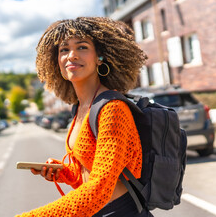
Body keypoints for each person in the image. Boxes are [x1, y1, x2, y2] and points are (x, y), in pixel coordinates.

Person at [16, 17, 152, 217]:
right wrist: (64, 173)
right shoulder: (80, 108)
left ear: (100, 57)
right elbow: (89, 174)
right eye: (64, 50)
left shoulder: (112, 109)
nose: (71, 55)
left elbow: (99, 189)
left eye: (81, 47)